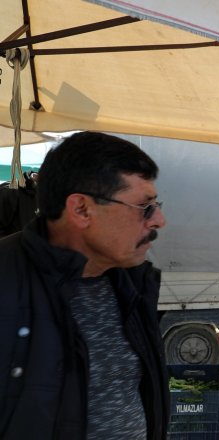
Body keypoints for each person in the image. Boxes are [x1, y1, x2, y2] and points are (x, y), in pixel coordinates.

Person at [0, 132, 169, 439]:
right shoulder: (7, 284)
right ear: (81, 209)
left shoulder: (130, 282)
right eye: (145, 207)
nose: (159, 220)